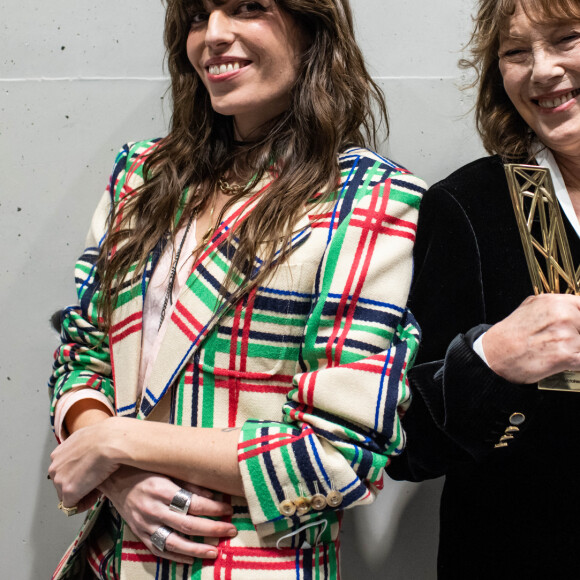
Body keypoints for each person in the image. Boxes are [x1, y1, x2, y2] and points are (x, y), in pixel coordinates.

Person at [47, 1, 425, 578]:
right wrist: (120, 476)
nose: (214, 36)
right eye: (198, 16)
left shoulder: (371, 200)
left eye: (249, 7)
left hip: (246, 563)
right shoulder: (144, 176)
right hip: (110, 558)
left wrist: (119, 443)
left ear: (311, 26)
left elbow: (339, 455)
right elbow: (84, 353)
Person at [387, 0, 580, 577]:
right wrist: (487, 362)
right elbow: (403, 444)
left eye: (566, 38)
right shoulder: (468, 208)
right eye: (516, 52)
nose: (541, 70)